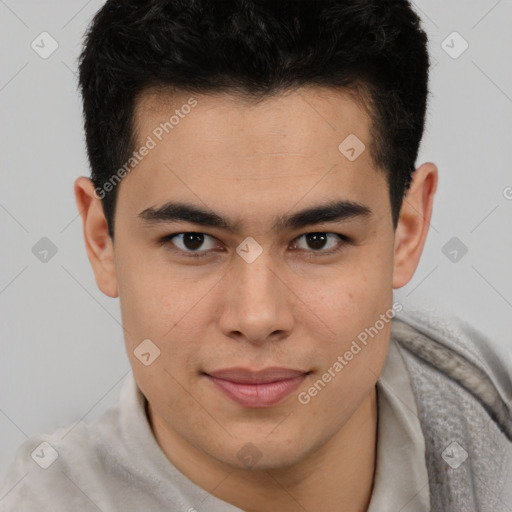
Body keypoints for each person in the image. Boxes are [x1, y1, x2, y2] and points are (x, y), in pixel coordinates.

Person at [1, 0, 511, 510]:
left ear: (407, 230)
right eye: (193, 240)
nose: (257, 317)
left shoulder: (486, 400)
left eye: (317, 240)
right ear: (101, 240)